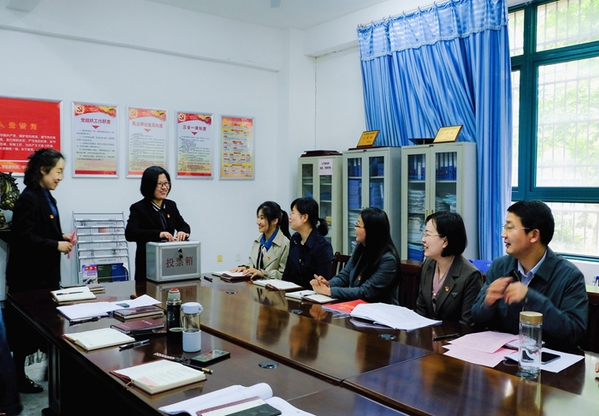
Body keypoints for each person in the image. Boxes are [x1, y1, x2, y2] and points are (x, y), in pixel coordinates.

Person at [471, 200, 588, 351]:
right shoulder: (500, 266)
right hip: (502, 356)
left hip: (546, 360)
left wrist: (531, 298)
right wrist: (487, 302)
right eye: (505, 227)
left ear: (534, 235)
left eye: (510, 228)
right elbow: (476, 318)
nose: (503, 234)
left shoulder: (569, 276)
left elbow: (575, 333)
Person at [5, 148, 75, 394]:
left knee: (49, 324)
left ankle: (52, 368)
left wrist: (61, 236)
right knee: (23, 332)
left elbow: (41, 229)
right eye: (58, 171)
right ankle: (19, 377)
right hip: (28, 279)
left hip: (45, 276)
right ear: (43, 170)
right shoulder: (29, 198)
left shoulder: (46, 196)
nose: (60, 177)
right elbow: (23, 238)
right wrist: (55, 244)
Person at [311, 207, 400, 304]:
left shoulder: (388, 260)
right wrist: (327, 284)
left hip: (379, 310)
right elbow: (344, 276)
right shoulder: (361, 248)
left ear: (371, 230)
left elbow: (365, 292)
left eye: (358, 225)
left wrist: (329, 291)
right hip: (358, 306)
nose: (355, 228)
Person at [415, 212, 482, 325]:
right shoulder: (428, 265)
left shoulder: (470, 275)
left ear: (445, 241)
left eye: (428, 234)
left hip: (455, 335)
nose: (423, 239)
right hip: (427, 333)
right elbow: (421, 309)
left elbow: (467, 324)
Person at [125, 166, 190, 281]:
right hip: (148, 265)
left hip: (169, 262)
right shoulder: (139, 208)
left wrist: (183, 231)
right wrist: (159, 234)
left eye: (166, 183)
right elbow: (130, 233)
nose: (164, 187)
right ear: (149, 185)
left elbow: (183, 225)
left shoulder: (171, 205)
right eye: (159, 184)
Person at [230, 201, 291, 280]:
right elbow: (253, 263)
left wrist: (263, 273)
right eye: (258, 217)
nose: (257, 222)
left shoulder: (285, 243)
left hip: (270, 287)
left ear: (274, 221)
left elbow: (283, 275)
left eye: (262, 218)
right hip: (254, 285)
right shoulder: (258, 240)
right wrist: (245, 268)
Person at [282, 197, 333, 288]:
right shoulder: (295, 239)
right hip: (292, 292)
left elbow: (322, 281)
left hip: (312, 294)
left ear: (305, 217)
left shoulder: (323, 246)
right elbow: (287, 273)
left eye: (293, 213)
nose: (290, 217)